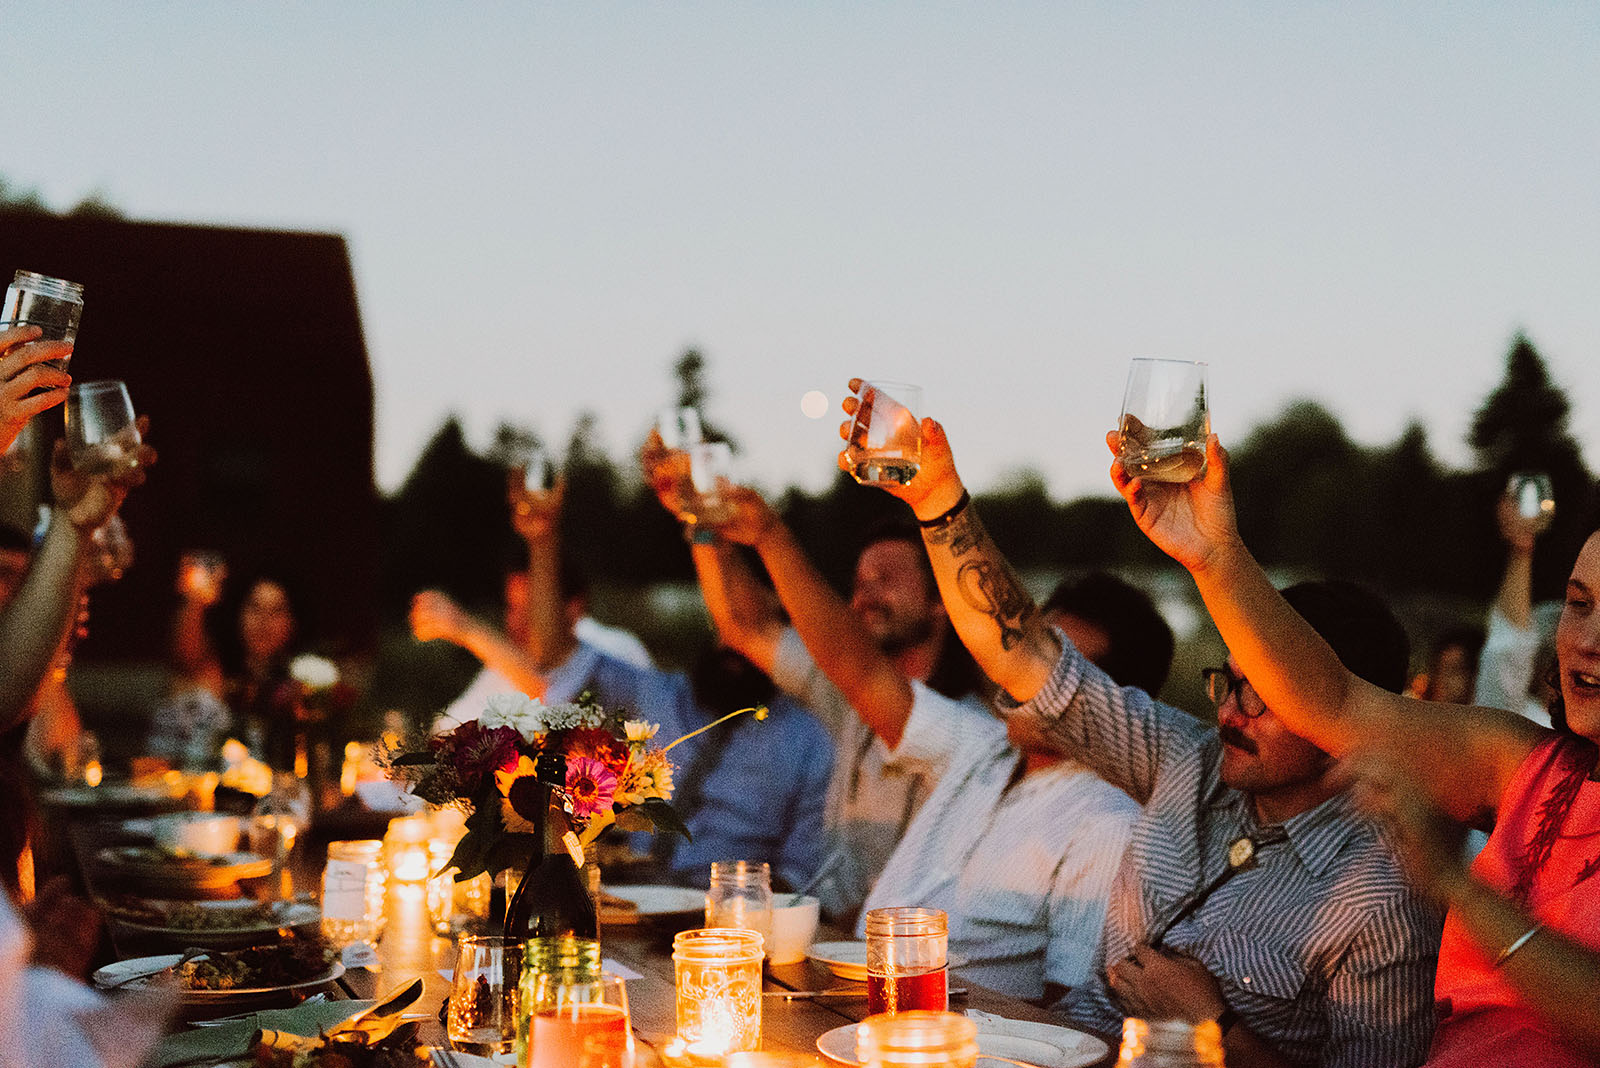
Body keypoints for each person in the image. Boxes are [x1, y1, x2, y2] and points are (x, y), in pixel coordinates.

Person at [846, 397, 1442, 1068]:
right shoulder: (1186, 761)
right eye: (1229, 680)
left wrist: (1211, 1025)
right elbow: (1029, 655)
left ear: (1348, 713)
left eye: (1265, 694)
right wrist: (939, 502)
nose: (1229, 712)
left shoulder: (1381, 892)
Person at [1109, 425, 1600, 1065]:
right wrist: (1215, 555)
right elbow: (1333, 702)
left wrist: (1454, 882)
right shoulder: (1530, 766)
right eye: (1578, 604)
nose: (1588, 640)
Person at [700, 487, 1141, 1001]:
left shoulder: (1107, 820)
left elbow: (1068, 1010)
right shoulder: (983, 745)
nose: (1027, 677)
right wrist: (760, 537)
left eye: (1060, 668)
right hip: (847, 994)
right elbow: (859, 670)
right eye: (1031, 652)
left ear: (1116, 703)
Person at [412, 479, 835, 891]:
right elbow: (553, 661)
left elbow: (801, 878)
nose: (734, 636)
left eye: (748, 623)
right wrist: (543, 540)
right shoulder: (656, 695)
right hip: (628, 904)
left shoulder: (811, 741)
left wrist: (729, 903)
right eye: (726, 620)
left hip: (728, 930)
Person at [644, 434, 992, 924]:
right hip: (820, 939)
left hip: (900, 956)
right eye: (858, 584)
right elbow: (744, 627)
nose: (865, 596)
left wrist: (769, 533)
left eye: (886, 580)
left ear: (941, 603)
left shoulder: (969, 730)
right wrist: (700, 523)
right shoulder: (845, 697)